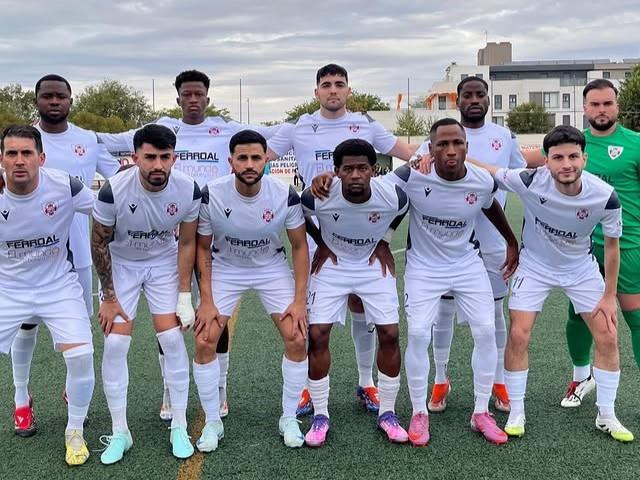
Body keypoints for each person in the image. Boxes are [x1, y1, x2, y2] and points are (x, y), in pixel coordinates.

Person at [99, 70, 279, 421]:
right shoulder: (161, 129)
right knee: (170, 320)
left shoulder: (226, 129)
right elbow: (108, 140)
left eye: (199, 94)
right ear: (178, 98)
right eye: (187, 94)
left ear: (207, 98)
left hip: (214, 233)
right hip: (173, 236)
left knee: (214, 315)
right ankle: (170, 388)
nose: (193, 100)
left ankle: (220, 385)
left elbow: (276, 137)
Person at [267, 63, 417, 416]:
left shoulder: (366, 125)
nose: (333, 90)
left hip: (362, 237)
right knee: (313, 321)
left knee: (361, 307)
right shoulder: (298, 127)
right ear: (316, 91)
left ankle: (366, 383)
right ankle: (308, 389)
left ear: (349, 90)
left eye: (339, 84)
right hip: (317, 236)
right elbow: (260, 160)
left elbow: (411, 156)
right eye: (326, 84)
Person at [470, 125, 632, 442]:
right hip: (535, 265)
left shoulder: (605, 196)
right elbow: (488, 169)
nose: (566, 164)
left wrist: (609, 295)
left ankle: (607, 415)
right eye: (558, 157)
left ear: (584, 159)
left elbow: (613, 247)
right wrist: (438, 155)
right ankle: (516, 412)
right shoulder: (529, 180)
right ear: (546, 161)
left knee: (608, 335)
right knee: (519, 334)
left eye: (573, 156)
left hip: (580, 267)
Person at [389, 118, 518, 446]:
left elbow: (491, 207)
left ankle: (481, 412)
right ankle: (419, 412)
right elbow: (382, 197)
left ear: (466, 147)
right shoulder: (414, 177)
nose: (450, 150)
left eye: (457, 143)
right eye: (442, 144)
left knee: (486, 331)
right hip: (424, 267)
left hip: (466, 265)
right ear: (430, 149)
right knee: (418, 333)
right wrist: (382, 243)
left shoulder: (481, 180)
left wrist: (511, 242)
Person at [8, 74, 120, 437]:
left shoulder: (87, 139)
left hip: (76, 253)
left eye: (61, 96)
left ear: (71, 100)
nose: (54, 101)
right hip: (22, 257)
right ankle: (22, 399)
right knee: (25, 326)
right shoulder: (21, 141)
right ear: (37, 101)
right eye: (47, 96)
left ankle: (75, 395)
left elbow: (116, 181)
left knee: (78, 333)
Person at [413, 76, 532, 413]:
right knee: (443, 311)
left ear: (488, 99)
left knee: (492, 313)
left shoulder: (503, 136)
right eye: (468, 95)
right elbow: (417, 169)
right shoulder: (439, 135)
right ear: (459, 100)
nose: (475, 100)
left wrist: (514, 238)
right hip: (448, 243)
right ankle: (441, 378)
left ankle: (498, 381)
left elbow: (517, 179)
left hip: (492, 237)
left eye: (481, 94)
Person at [92, 124, 201, 463]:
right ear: (135, 157)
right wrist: (109, 297)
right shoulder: (112, 191)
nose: (158, 165)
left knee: (171, 340)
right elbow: (99, 243)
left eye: (165, 157)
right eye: (150, 157)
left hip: (163, 263)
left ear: (174, 158)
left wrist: (184, 295)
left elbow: (187, 242)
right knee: (115, 344)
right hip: (122, 264)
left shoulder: (188, 189)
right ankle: (120, 431)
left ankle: (179, 425)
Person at [193, 130, 309, 450]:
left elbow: (300, 246)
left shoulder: (284, 194)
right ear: (230, 162)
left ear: (265, 160)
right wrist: (205, 300)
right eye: (242, 158)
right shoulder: (212, 194)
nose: (249, 164)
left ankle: (289, 417)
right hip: (225, 267)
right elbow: (201, 247)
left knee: (297, 336)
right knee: (204, 339)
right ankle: (212, 421)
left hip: (270, 267)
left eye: (256, 157)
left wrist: (299, 301)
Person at [300, 139, 408, 447]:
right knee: (317, 334)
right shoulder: (318, 196)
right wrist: (321, 242)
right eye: (348, 169)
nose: (356, 175)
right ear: (336, 171)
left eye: (363, 168)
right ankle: (321, 415)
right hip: (333, 264)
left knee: (390, 333)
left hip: (372, 264)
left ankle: (387, 413)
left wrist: (385, 241)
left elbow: (402, 209)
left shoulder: (392, 195)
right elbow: (300, 211)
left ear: (374, 170)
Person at [0, 125, 96, 465]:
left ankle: (74, 431)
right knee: (24, 332)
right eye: (12, 153)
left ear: (41, 158)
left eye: (27, 153)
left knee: (82, 355)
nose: (19, 160)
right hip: (8, 287)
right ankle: (21, 400)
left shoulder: (65, 186)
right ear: (2, 159)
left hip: (57, 285)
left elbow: (106, 211)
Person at [558, 79, 640, 409]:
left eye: (607, 103)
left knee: (636, 319)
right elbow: (528, 162)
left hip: (629, 245)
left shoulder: (635, 144)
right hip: (584, 249)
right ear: (585, 108)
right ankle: (581, 377)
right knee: (579, 316)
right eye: (595, 104)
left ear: (617, 106)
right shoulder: (573, 146)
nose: (601, 109)